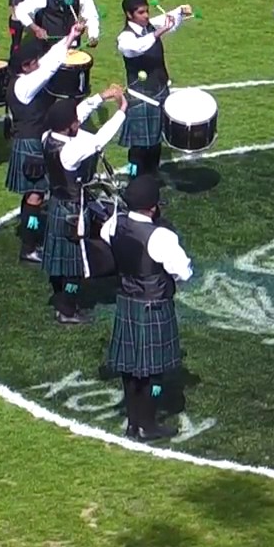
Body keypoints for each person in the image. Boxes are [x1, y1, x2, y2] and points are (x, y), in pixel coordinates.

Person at [99, 175, 194, 441]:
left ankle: (133, 423)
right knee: (154, 373)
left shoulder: (113, 224)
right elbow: (183, 272)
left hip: (127, 302)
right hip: (154, 306)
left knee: (130, 368)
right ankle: (148, 424)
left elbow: (107, 238)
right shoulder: (161, 236)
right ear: (152, 207)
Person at [41, 83, 128, 324]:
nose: (78, 123)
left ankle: (60, 299)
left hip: (56, 205)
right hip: (72, 213)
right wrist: (121, 110)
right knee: (74, 267)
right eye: (75, 122)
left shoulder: (47, 136)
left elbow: (78, 113)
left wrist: (103, 96)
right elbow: (100, 139)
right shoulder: (71, 151)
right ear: (67, 125)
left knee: (58, 261)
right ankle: (67, 309)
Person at [5, 20, 87, 263]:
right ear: (26, 66)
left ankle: (29, 237)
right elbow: (49, 68)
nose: (38, 63)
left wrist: (71, 36)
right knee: (36, 196)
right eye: (35, 62)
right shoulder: (25, 84)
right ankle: (29, 246)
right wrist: (67, 43)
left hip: (28, 142)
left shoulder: (22, 79)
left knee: (33, 194)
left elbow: (48, 59)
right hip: (30, 145)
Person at [116, 0, 191, 179]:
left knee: (156, 142)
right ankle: (134, 180)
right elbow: (136, 47)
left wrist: (180, 11)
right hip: (141, 96)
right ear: (129, 14)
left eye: (147, 11)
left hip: (159, 91)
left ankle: (152, 179)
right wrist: (159, 32)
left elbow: (166, 20)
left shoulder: (148, 26)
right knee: (139, 147)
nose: (146, 16)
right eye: (141, 12)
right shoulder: (125, 37)